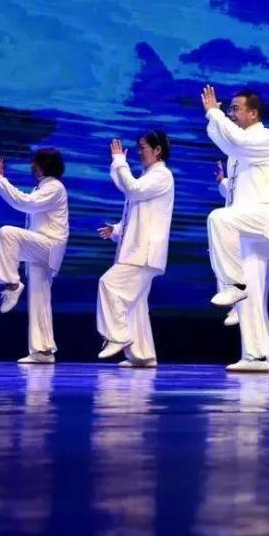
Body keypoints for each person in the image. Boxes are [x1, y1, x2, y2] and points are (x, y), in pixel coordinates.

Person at [203, 87, 269, 372]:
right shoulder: (238, 153)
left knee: (218, 219)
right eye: (229, 109)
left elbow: (233, 140)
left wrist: (214, 113)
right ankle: (259, 354)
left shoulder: (266, 137)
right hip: (249, 220)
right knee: (252, 291)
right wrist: (223, 183)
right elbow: (225, 144)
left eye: (236, 108)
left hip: (265, 215)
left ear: (254, 113)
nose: (231, 113)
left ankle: (233, 285)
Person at [96, 132, 175, 367]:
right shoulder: (148, 175)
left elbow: (132, 189)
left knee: (108, 284)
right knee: (136, 306)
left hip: (144, 251)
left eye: (143, 148)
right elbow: (138, 213)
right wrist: (117, 229)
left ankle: (117, 336)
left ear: (157, 150)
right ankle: (142, 354)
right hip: (138, 249)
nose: (139, 152)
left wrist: (119, 161)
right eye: (138, 148)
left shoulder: (161, 175)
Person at [0, 149, 69, 364]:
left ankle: (12, 283)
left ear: (43, 166)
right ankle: (43, 351)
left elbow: (24, 202)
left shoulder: (53, 187)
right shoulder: (44, 187)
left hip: (48, 245)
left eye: (35, 163)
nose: (32, 167)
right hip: (42, 246)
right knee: (39, 299)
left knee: (7, 233)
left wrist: (0, 180)